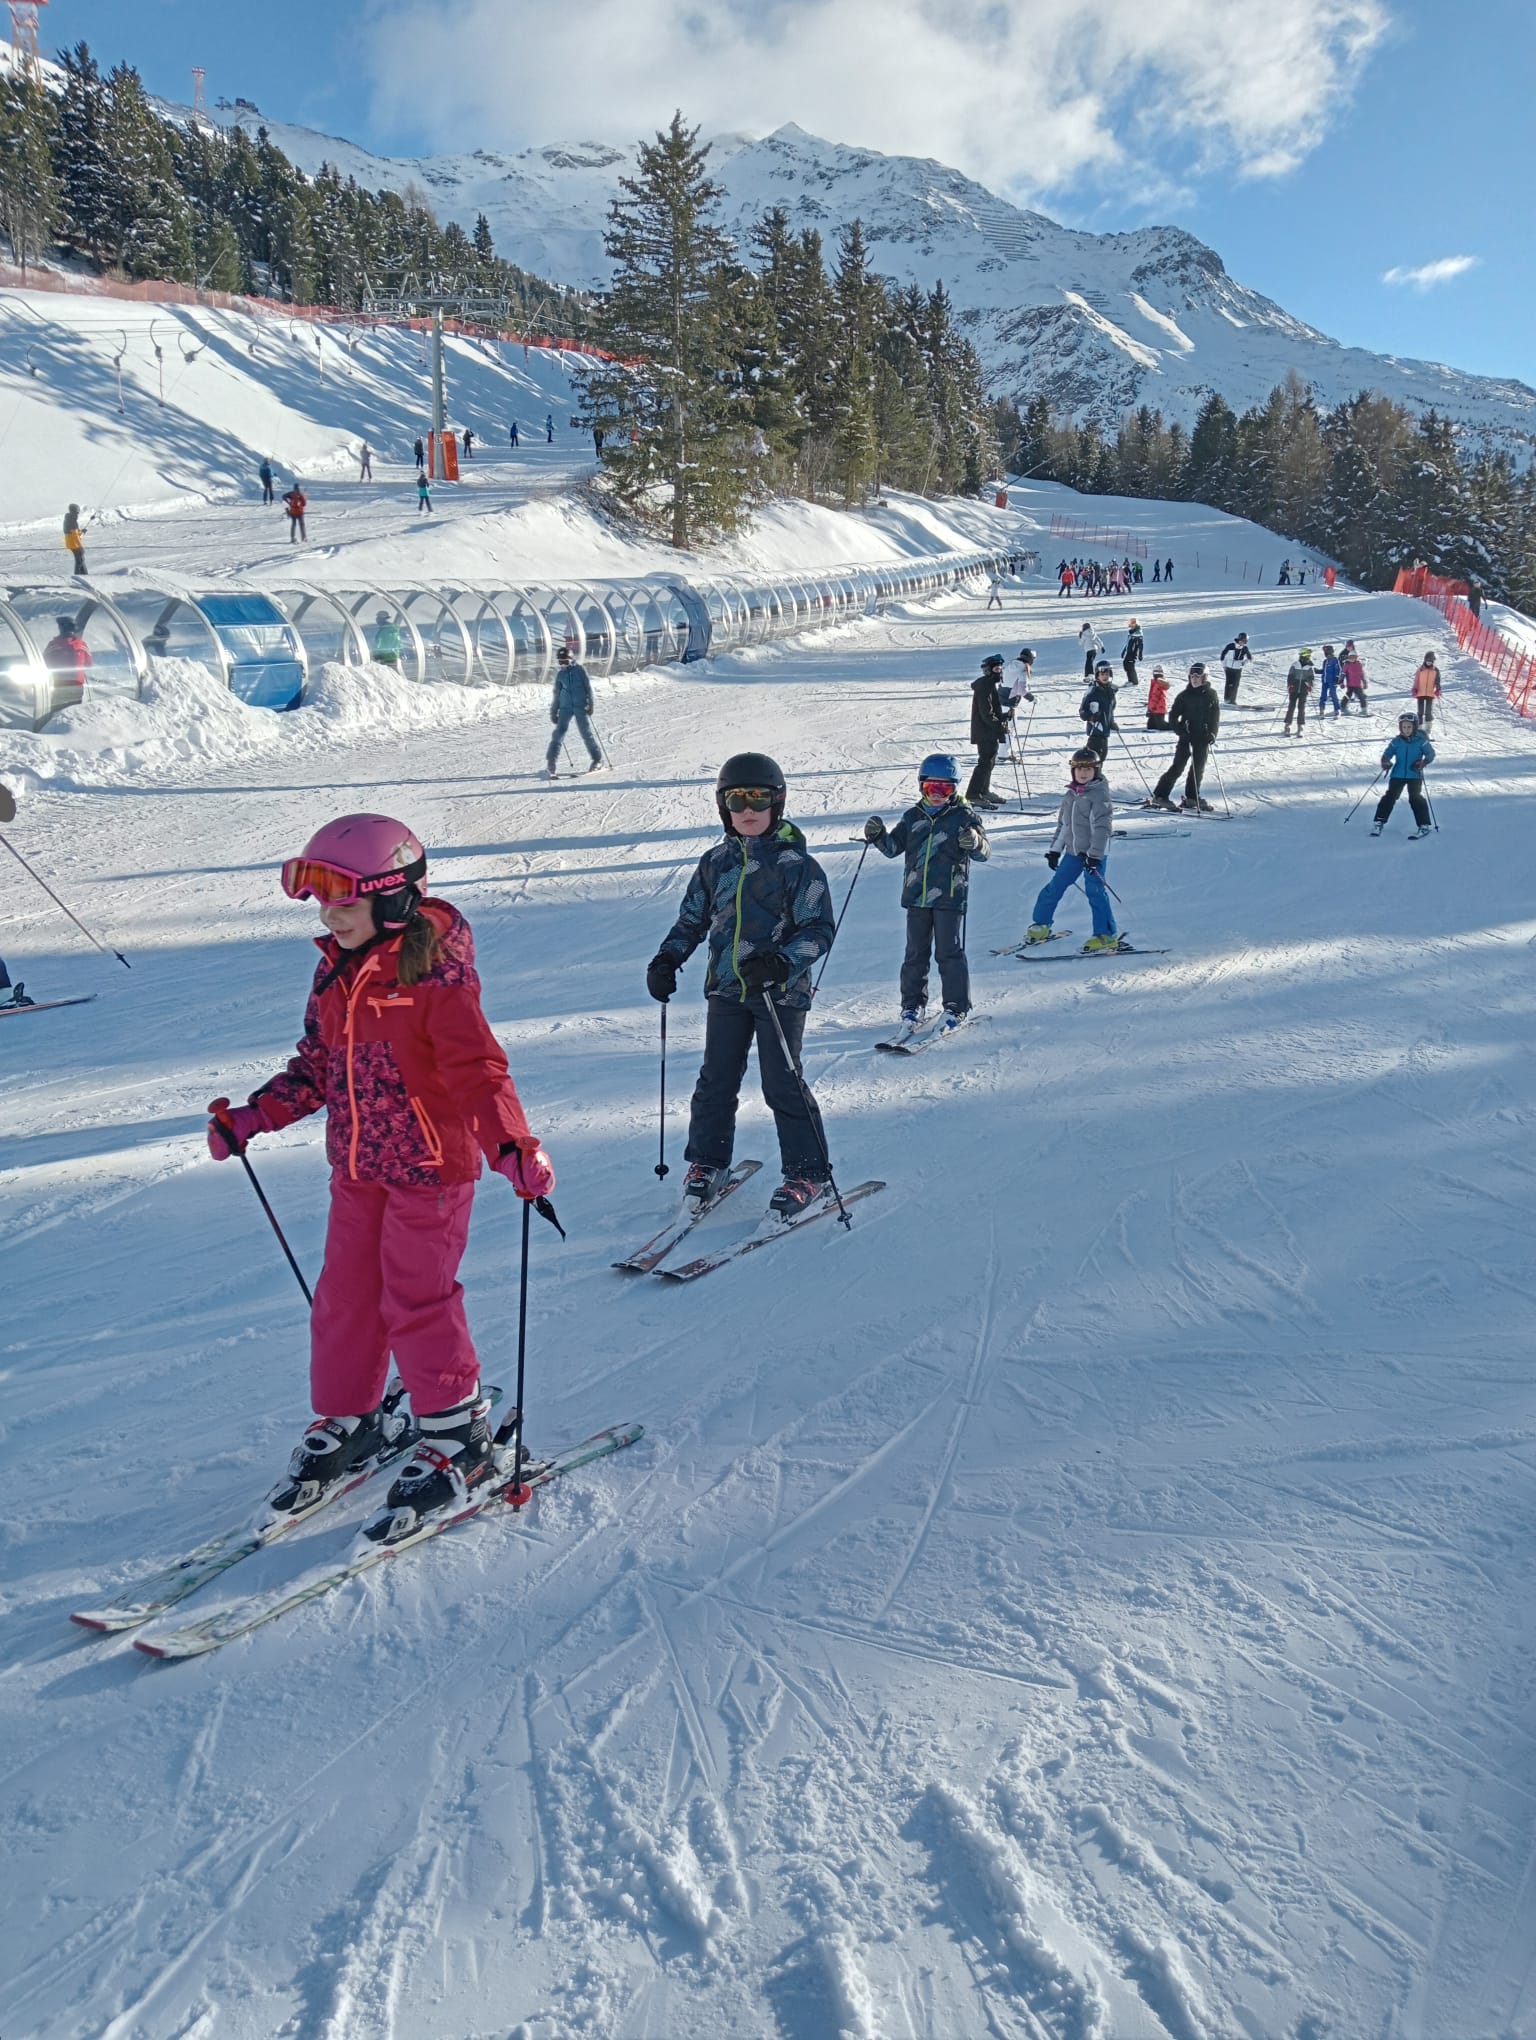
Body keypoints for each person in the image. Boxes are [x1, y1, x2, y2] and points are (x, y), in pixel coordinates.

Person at [204, 814, 555, 1541]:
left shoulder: (435, 975)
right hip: (359, 1170)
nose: (329, 916)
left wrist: (513, 1146)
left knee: (417, 1298)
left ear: (395, 900)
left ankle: (460, 1435)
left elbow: (477, 1071)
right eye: (321, 903)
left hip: (431, 1170)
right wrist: (254, 1118)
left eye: (345, 902)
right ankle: (352, 1418)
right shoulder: (336, 965)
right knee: (345, 1299)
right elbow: (318, 1066)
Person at [646, 753, 835, 1220]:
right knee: (716, 1080)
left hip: (780, 994)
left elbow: (819, 931)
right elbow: (692, 919)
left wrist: (781, 963)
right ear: (722, 806)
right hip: (727, 991)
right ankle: (707, 1163)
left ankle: (808, 1171)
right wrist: (668, 957)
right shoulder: (715, 863)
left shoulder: (798, 866)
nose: (748, 809)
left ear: (778, 802)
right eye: (737, 799)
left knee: (782, 1083)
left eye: (758, 798)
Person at [864, 752, 989, 1027]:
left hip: (950, 897)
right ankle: (912, 1006)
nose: (936, 794)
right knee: (915, 954)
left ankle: (956, 1005)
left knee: (948, 953)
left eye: (944, 788)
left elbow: (984, 853)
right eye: (930, 787)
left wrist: (975, 842)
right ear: (921, 786)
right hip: (916, 897)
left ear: (954, 789)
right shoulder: (912, 817)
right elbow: (893, 849)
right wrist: (877, 836)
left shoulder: (964, 817)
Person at [1023, 749, 1119, 953]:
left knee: (1095, 891)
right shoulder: (1070, 795)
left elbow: (1102, 829)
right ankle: (1041, 924)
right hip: (1073, 854)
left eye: (1088, 769)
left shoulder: (1099, 796)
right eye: (1079, 769)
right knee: (1054, 887)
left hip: (1094, 855)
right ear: (1073, 771)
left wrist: (1094, 856)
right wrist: (1054, 851)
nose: (1083, 773)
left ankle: (1106, 935)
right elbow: (1064, 825)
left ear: (1096, 770)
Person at [1148, 662, 1220, 811]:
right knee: (1178, 767)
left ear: (1204, 678)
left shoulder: (1211, 695)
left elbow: (1215, 717)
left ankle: (1192, 797)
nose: (1194, 679)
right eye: (1192, 676)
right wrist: (1179, 729)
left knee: (1198, 768)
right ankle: (1160, 795)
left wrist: (1212, 733)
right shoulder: (1184, 695)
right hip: (1187, 736)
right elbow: (1173, 715)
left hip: (1202, 737)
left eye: (1197, 676)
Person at [1372, 716, 1435, 837]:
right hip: (1398, 774)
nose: (1406, 729)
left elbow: (1430, 754)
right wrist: (1385, 761)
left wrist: (1422, 763)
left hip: (1414, 774)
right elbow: (1387, 753)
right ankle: (1379, 821)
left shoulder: (1421, 741)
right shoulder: (1396, 741)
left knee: (1415, 798)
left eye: (1409, 727)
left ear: (1414, 727)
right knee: (1390, 796)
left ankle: (1424, 825)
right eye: (1404, 727)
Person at [546, 646, 602, 776]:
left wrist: (590, 704)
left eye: (564, 661)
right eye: (560, 662)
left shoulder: (580, 670)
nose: (562, 665)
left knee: (586, 733)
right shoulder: (561, 674)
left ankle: (597, 760)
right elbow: (557, 693)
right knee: (558, 734)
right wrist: (554, 711)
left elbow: (588, 688)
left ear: (571, 659)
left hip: (580, 706)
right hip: (565, 707)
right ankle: (551, 762)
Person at [966, 654, 1009, 808]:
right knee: (984, 763)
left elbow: (992, 712)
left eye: (1001, 668)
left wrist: (1004, 716)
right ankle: (973, 794)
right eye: (996, 668)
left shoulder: (990, 685)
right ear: (989, 670)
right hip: (985, 731)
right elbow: (986, 713)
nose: (1000, 671)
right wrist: (1000, 725)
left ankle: (984, 791)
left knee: (989, 762)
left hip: (989, 730)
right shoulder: (984, 686)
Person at [42, 613, 92, 710]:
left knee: (58, 710)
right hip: (77, 684)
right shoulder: (82, 645)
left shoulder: (54, 645)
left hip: (60, 683)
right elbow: (89, 663)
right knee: (73, 710)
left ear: (61, 629)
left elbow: (44, 662)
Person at [1078, 659, 1120, 764]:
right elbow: (1082, 711)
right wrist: (1090, 717)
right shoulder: (1092, 692)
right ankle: (1090, 776)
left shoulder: (1110, 691)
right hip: (1095, 731)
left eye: (1107, 674)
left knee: (1102, 756)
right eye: (1102, 674)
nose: (1105, 677)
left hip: (1105, 731)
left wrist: (1111, 723)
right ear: (1097, 675)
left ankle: (1096, 775)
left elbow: (1110, 710)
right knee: (1093, 758)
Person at [1283, 648, 1315, 735]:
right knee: (1291, 706)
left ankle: (1300, 726)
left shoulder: (1309, 667)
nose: (1308, 658)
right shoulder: (1295, 664)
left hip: (1304, 689)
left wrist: (1310, 685)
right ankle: (1287, 724)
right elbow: (1290, 675)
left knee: (1302, 707)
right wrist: (1290, 685)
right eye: (1307, 656)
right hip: (1294, 688)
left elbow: (1311, 678)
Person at [1219, 630, 1252, 705]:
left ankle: (1233, 700)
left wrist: (1243, 663)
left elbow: (1250, 658)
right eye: (1241, 640)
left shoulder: (1245, 649)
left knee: (1235, 685)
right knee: (1229, 683)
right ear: (1238, 639)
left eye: (1244, 641)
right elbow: (1222, 656)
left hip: (1237, 669)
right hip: (1229, 668)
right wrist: (1224, 666)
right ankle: (1227, 700)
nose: (1242, 642)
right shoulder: (1230, 646)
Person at [1413, 651, 1442, 727]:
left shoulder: (1435, 670)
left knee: (1428, 712)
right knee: (1420, 712)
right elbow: (1416, 680)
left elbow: (1437, 681)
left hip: (1430, 693)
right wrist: (1414, 689)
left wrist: (1438, 689)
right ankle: (1419, 727)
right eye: (1427, 661)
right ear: (1424, 660)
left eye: (1430, 661)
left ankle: (1428, 728)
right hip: (1420, 692)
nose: (1428, 663)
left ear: (1433, 661)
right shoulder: (1420, 670)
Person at [1341, 641, 1368, 713]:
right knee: (1347, 696)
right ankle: (1343, 708)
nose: (1352, 659)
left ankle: (1364, 709)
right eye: (1350, 657)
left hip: (1358, 684)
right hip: (1350, 684)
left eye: (1353, 657)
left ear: (1356, 658)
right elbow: (1343, 673)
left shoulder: (1359, 664)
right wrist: (1341, 681)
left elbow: (1362, 674)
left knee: (1361, 696)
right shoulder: (1347, 665)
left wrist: (1364, 682)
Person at [1318, 644, 1342, 718]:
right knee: (1323, 696)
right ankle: (1322, 710)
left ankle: (1337, 710)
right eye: (1325, 653)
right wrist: (1317, 671)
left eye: (1326, 652)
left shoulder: (1335, 660)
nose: (1326, 655)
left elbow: (1338, 669)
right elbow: (1324, 671)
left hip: (1332, 681)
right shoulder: (1325, 661)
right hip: (1325, 681)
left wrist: (1337, 677)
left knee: (1333, 695)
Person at [63, 503, 87, 577]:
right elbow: (75, 536)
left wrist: (82, 532)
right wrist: (80, 547)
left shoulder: (69, 519)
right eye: (77, 511)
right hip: (74, 544)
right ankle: (78, 576)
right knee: (79, 560)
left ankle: (85, 575)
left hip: (71, 543)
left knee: (81, 559)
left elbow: (74, 533)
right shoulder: (72, 520)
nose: (78, 513)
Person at [1145, 663, 1170, 730]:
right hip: (1154, 709)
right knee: (1150, 726)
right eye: (1156, 673)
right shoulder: (1154, 682)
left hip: (1159, 708)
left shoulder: (1159, 683)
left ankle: (1177, 726)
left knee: (1162, 726)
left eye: (1158, 673)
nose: (1156, 675)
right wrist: (1150, 709)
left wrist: (1151, 708)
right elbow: (1151, 697)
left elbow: (1155, 697)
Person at [1121, 617, 1143, 690]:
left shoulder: (1138, 633)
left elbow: (1141, 645)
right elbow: (1128, 643)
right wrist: (1124, 651)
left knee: (1130, 665)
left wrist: (1140, 654)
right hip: (1128, 651)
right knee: (1125, 664)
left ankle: (1134, 681)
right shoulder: (1131, 632)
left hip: (1133, 653)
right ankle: (1130, 680)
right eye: (1131, 624)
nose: (1132, 625)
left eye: (1133, 624)